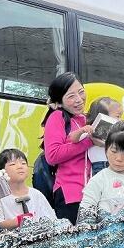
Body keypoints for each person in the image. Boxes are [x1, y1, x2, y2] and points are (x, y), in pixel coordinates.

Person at [42, 73, 94, 224]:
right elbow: (52, 155)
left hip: (92, 194)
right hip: (70, 194)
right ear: (59, 103)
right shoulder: (57, 117)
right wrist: (87, 142)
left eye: (81, 91)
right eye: (71, 96)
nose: (79, 99)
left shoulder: (86, 119)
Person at [0, 148, 56, 228]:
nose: (20, 167)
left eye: (23, 163)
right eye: (13, 164)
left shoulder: (36, 195)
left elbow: (52, 221)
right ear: (1, 171)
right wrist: (15, 222)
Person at [85, 97, 123, 176]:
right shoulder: (91, 130)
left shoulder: (116, 133)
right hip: (100, 166)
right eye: (118, 116)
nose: (120, 120)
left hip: (113, 165)